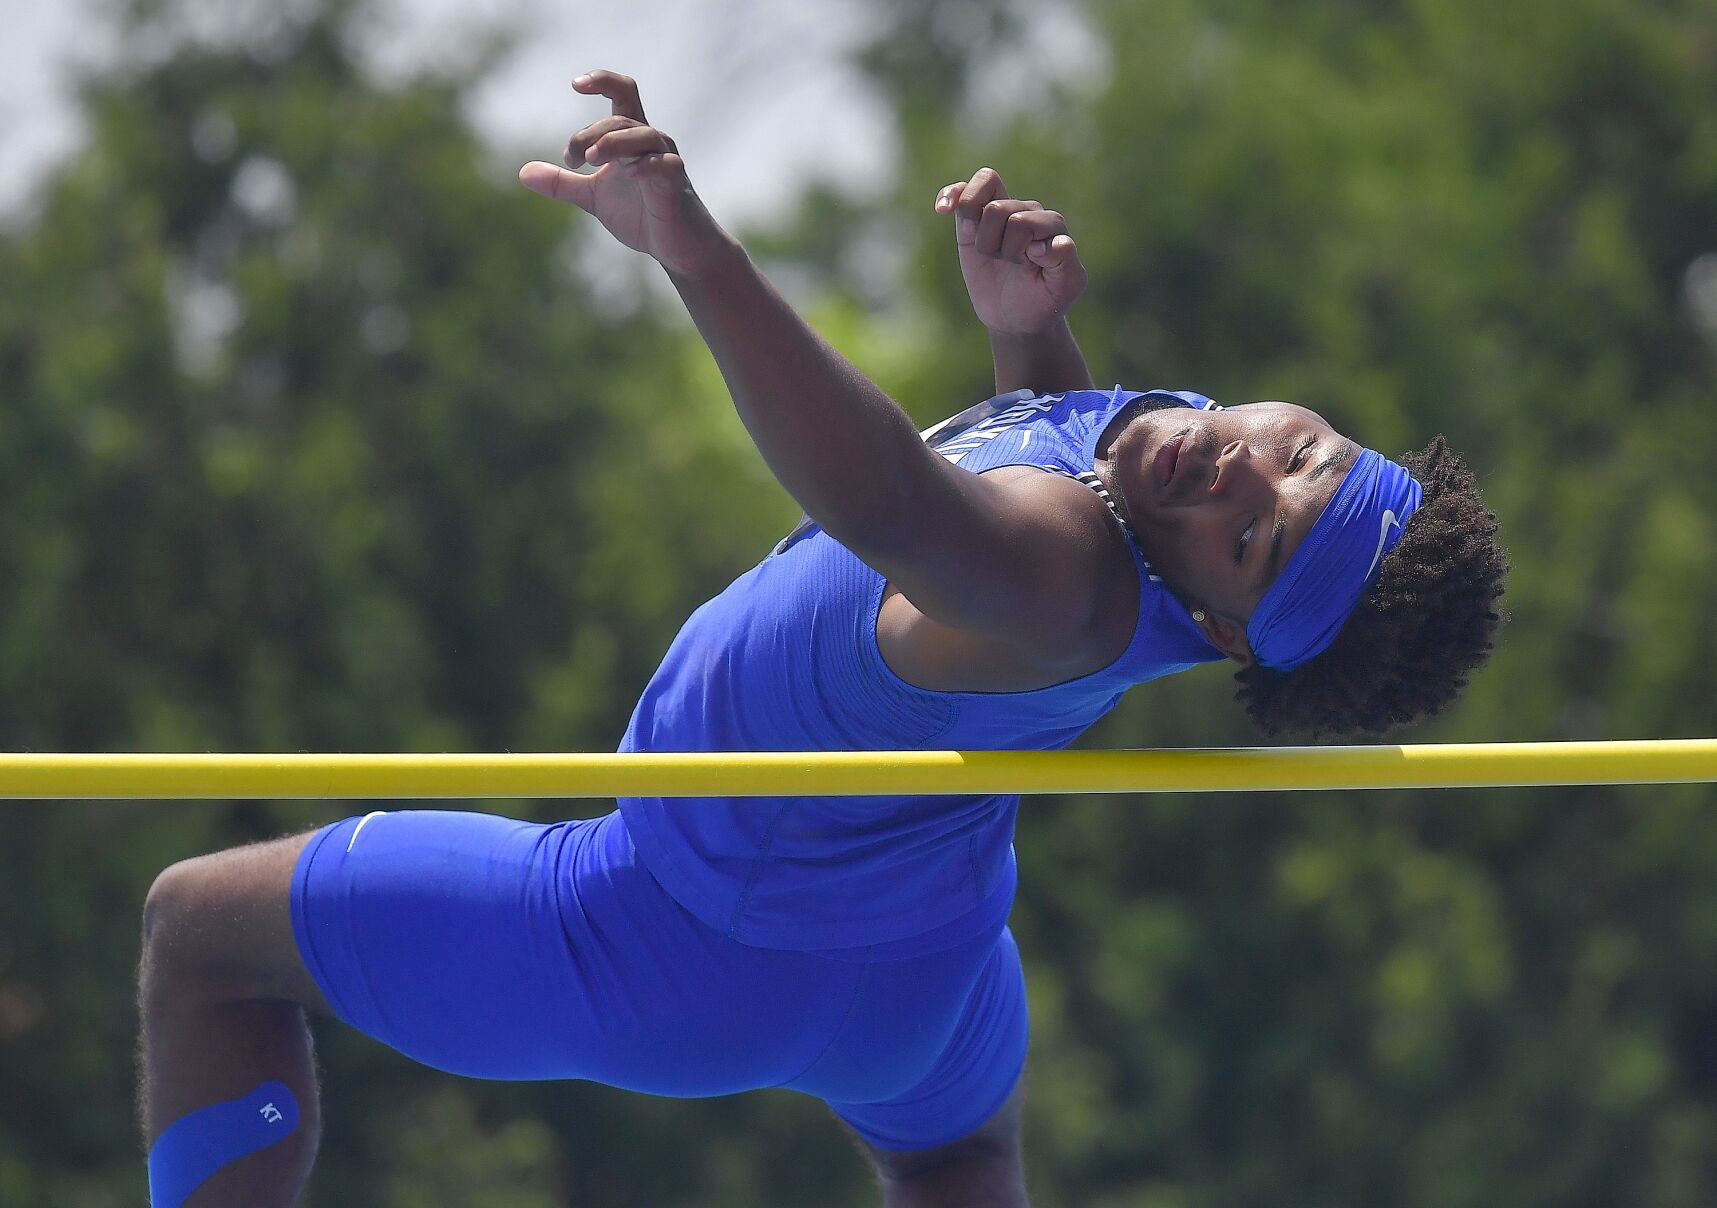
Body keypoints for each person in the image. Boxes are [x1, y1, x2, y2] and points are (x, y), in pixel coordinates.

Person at [136, 71, 1507, 1207]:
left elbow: (888, 502)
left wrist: (695, 250)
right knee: (956, 1152)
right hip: (934, 980)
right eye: (1304, 449)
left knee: (201, 934)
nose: (1243, 471)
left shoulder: (1060, 587)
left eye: (1257, 539)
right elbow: (1044, 489)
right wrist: (1033, 348)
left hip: (681, 937)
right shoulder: (1137, 520)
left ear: (1219, 625)